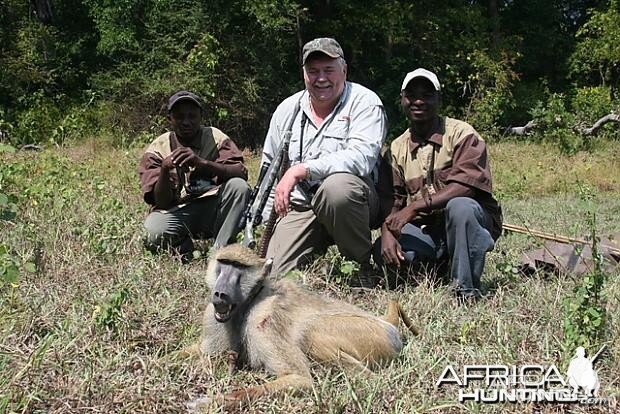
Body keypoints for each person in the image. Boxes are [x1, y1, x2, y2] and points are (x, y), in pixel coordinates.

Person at [261, 37, 387, 281]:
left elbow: (361, 158)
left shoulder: (365, 102)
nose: (321, 78)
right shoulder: (286, 110)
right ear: (304, 74)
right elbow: (269, 167)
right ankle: (310, 249)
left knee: (335, 189)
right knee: (272, 277)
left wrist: (302, 170)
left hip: (351, 200)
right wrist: (265, 223)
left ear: (344, 70)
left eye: (328, 70)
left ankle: (359, 268)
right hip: (301, 206)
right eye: (313, 71)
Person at [375, 68, 502, 300]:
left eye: (427, 94)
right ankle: (440, 267)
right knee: (384, 250)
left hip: (468, 221)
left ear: (439, 100)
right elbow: (392, 200)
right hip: (428, 231)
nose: (419, 101)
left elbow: (466, 186)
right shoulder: (396, 148)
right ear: (402, 100)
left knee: (460, 207)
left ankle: (465, 291)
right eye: (411, 95)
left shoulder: (462, 134)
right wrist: (387, 231)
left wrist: (413, 208)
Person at [138, 90, 250, 260]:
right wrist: (164, 170)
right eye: (179, 117)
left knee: (239, 187)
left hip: (211, 208)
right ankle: (182, 246)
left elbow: (240, 172)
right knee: (151, 232)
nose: (186, 122)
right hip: (177, 212)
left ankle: (220, 252)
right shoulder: (158, 148)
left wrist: (202, 163)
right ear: (170, 119)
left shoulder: (215, 137)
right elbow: (160, 202)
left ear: (201, 117)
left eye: (192, 116)